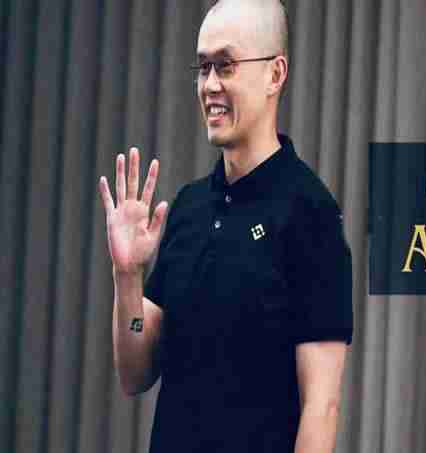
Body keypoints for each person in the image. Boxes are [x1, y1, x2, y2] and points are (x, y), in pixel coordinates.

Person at [97, 1, 354, 451]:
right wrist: (128, 275)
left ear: (275, 74)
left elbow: (321, 407)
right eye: (203, 67)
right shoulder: (189, 207)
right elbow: (135, 372)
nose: (210, 85)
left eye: (226, 65)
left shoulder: (310, 214)